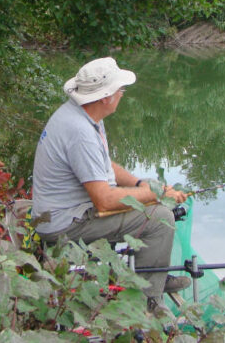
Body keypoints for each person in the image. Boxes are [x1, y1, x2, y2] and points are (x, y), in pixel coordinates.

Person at [31, 56, 190, 315]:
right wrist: (157, 195)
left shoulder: (84, 113)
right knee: (161, 217)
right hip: (64, 225)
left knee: (152, 201)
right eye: (120, 90)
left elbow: (102, 165)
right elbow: (104, 200)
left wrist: (141, 183)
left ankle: (154, 276)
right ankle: (149, 300)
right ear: (105, 96)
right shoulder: (80, 131)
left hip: (64, 212)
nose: (122, 94)